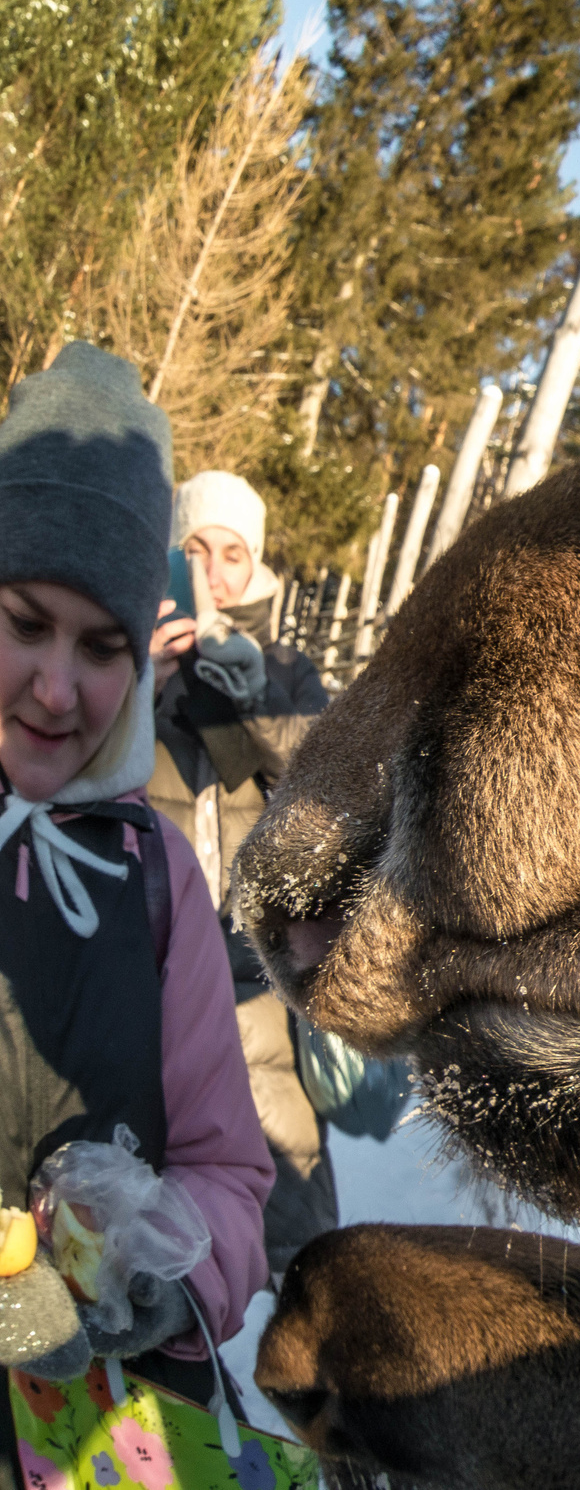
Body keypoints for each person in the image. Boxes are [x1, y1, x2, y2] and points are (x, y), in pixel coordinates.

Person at [0, 343, 272, 1413]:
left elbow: (229, 1172)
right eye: (23, 624)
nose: (58, 688)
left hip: (105, 1440)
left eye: (103, 644)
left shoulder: (148, 868)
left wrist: (153, 1285)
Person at [147, 469, 348, 1282]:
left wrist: (252, 694)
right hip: (149, 965)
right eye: (196, 547)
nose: (215, 570)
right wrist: (146, 684)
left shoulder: (288, 668)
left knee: (294, 1227)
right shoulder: (130, 651)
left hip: (254, 975)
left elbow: (335, 776)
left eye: (233, 551)